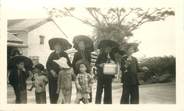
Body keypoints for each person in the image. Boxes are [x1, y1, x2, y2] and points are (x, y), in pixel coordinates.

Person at [46, 38, 72, 104]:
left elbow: (69, 65)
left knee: (61, 93)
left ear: (61, 46)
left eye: (59, 45)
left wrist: (63, 68)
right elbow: (47, 64)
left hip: (62, 77)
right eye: (56, 45)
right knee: (53, 92)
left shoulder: (64, 54)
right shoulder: (52, 55)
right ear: (54, 47)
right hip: (53, 77)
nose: (57, 47)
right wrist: (52, 71)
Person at [95, 40, 119, 104]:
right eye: (107, 48)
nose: (108, 49)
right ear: (105, 48)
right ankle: (97, 104)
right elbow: (96, 64)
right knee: (99, 91)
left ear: (111, 49)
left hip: (108, 76)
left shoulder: (112, 56)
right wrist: (100, 65)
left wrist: (113, 76)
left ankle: (108, 105)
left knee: (108, 91)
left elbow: (115, 66)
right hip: (101, 75)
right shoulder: (100, 55)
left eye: (110, 48)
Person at [72, 35, 94, 102]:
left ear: (85, 45)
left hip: (87, 72)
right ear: (78, 46)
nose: (81, 45)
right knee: (79, 87)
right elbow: (73, 64)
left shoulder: (88, 53)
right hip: (78, 72)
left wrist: (90, 71)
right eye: (79, 44)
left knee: (87, 86)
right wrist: (74, 73)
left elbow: (90, 63)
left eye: (82, 44)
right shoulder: (76, 54)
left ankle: (88, 99)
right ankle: (80, 98)